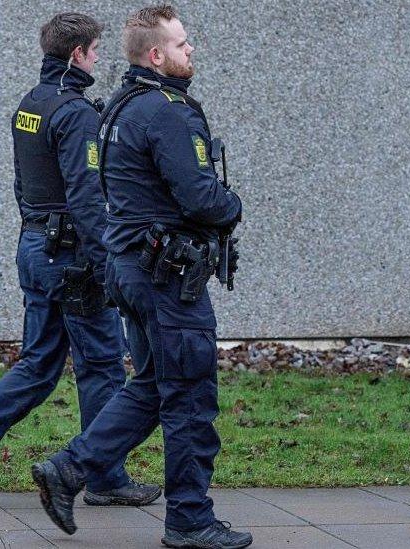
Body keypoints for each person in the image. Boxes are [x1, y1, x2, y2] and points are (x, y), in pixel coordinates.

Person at [30, 5, 252, 549]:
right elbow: (201, 197)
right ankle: (190, 520)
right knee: (190, 397)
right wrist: (234, 205)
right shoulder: (167, 113)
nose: (190, 50)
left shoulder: (122, 107)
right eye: (181, 44)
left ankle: (68, 468)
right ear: (157, 55)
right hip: (168, 278)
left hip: (133, 271)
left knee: (151, 388)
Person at [0, 11, 161, 508]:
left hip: (36, 247)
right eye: (96, 50)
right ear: (77, 53)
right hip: (74, 259)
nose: (100, 58)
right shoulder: (77, 113)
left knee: (39, 364)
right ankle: (103, 477)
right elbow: (86, 198)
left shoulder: (30, 105)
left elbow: (22, 183)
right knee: (102, 364)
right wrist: (108, 267)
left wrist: (37, 234)